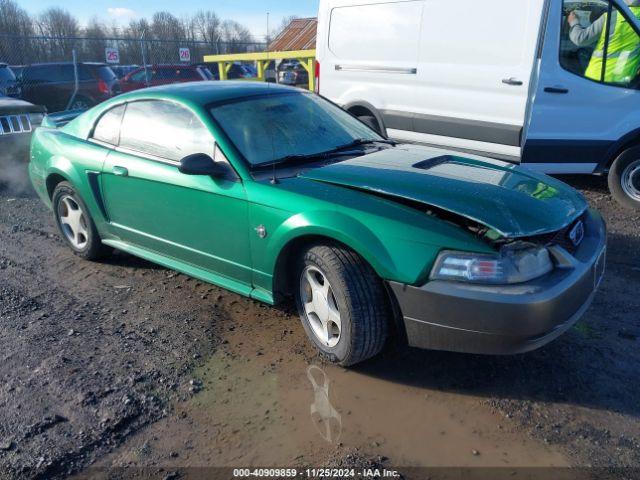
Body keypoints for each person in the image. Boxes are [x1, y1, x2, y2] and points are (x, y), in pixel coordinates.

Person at [568, 0, 640, 83]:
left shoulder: (611, 16)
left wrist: (573, 21)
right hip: (624, 81)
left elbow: (580, 38)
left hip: (597, 79)